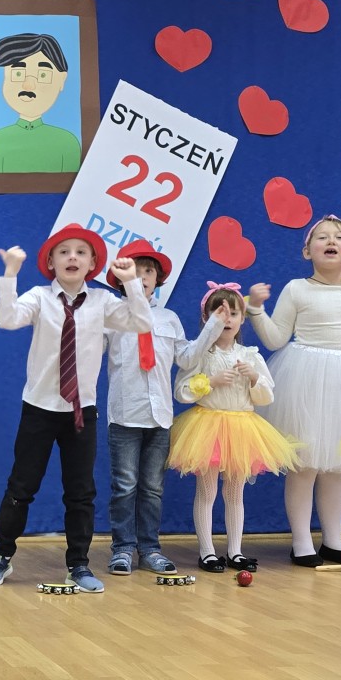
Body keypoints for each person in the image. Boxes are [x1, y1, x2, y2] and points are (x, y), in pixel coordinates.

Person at [0, 224, 150, 592]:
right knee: (21, 486)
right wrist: (10, 273)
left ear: (92, 263)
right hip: (39, 408)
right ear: (51, 262)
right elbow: (7, 319)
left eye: (81, 252)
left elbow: (142, 321)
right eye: (64, 251)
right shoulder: (40, 297)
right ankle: (1, 555)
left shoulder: (102, 301)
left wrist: (131, 283)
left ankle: (79, 564)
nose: (72, 257)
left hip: (81, 411)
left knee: (81, 492)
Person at [246, 216, 341, 566]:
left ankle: (333, 540)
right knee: (305, 464)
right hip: (306, 380)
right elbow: (275, 338)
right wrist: (255, 310)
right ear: (307, 251)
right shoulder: (296, 289)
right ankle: (301, 541)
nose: (331, 241)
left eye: (339, 237)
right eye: (322, 237)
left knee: (333, 465)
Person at [103, 239, 222, 575]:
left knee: (153, 488)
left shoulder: (169, 318)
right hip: (124, 415)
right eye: (135, 270)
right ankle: (122, 548)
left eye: (149, 271)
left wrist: (213, 327)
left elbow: (186, 358)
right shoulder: (111, 316)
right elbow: (89, 351)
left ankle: (150, 548)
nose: (142, 277)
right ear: (120, 276)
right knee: (124, 486)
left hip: (160, 418)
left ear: (158, 279)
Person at [168, 283, 299, 573]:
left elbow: (266, 396)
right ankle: (206, 551)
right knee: (207, 492)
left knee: (235, 493)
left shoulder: (250, 355)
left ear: (242, 318)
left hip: (242, 428)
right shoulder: (201, 355)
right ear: (206, 318)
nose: (227, 319)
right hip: (207, 427)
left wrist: (254, 378)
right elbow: (182, 391)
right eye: (220, 313)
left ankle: (235, 551)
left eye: (234, 313)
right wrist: (210, 382)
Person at [0, 32, 81, 173]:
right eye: (18, 73)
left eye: (43, 75)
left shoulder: (68, 142)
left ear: (62, 80)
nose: (28, 85)